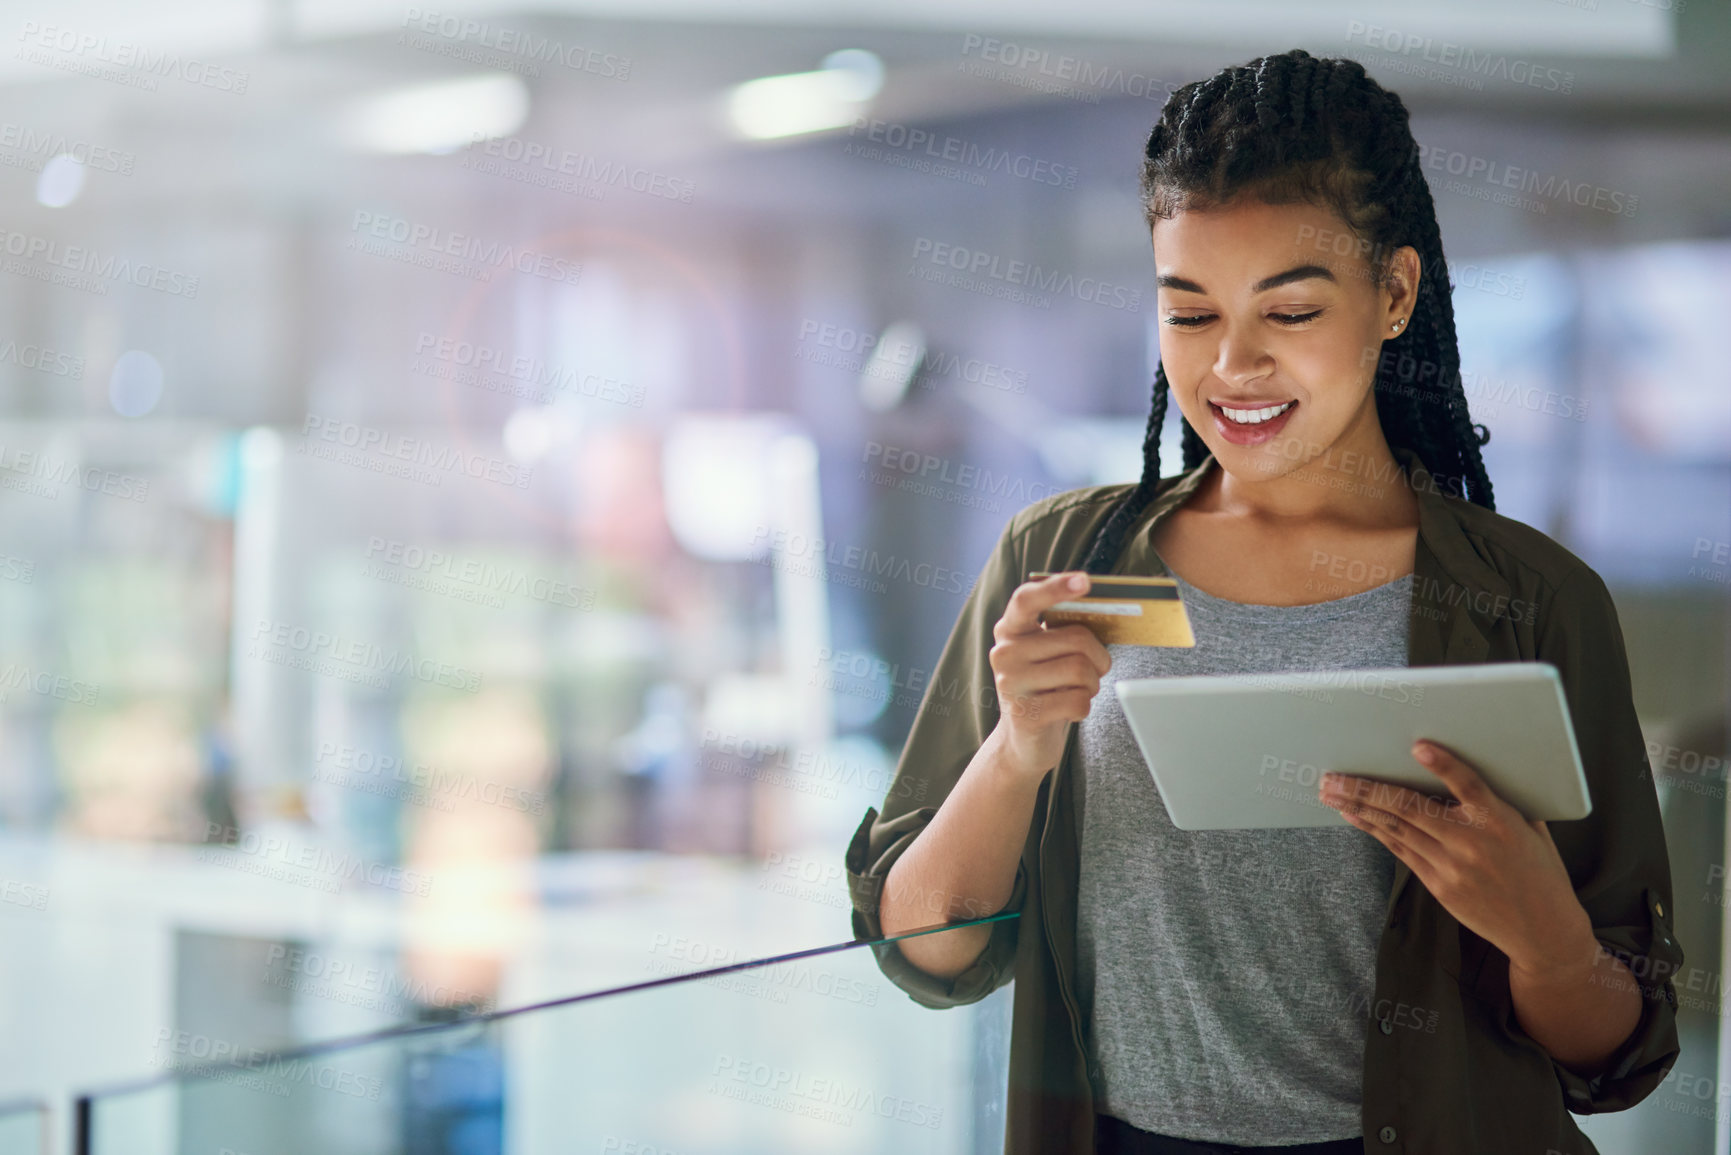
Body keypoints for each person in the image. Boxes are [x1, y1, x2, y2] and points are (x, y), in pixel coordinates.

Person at [844, 48, 1682, 1155]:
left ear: (1393, 294)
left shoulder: (1526, 598)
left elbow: (1613, 1056)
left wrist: (1546, 941)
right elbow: (927, 952)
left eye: (1288, 311)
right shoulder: (1070, 561)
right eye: (1189, 315)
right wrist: (1016, 751)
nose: (1232, 365)